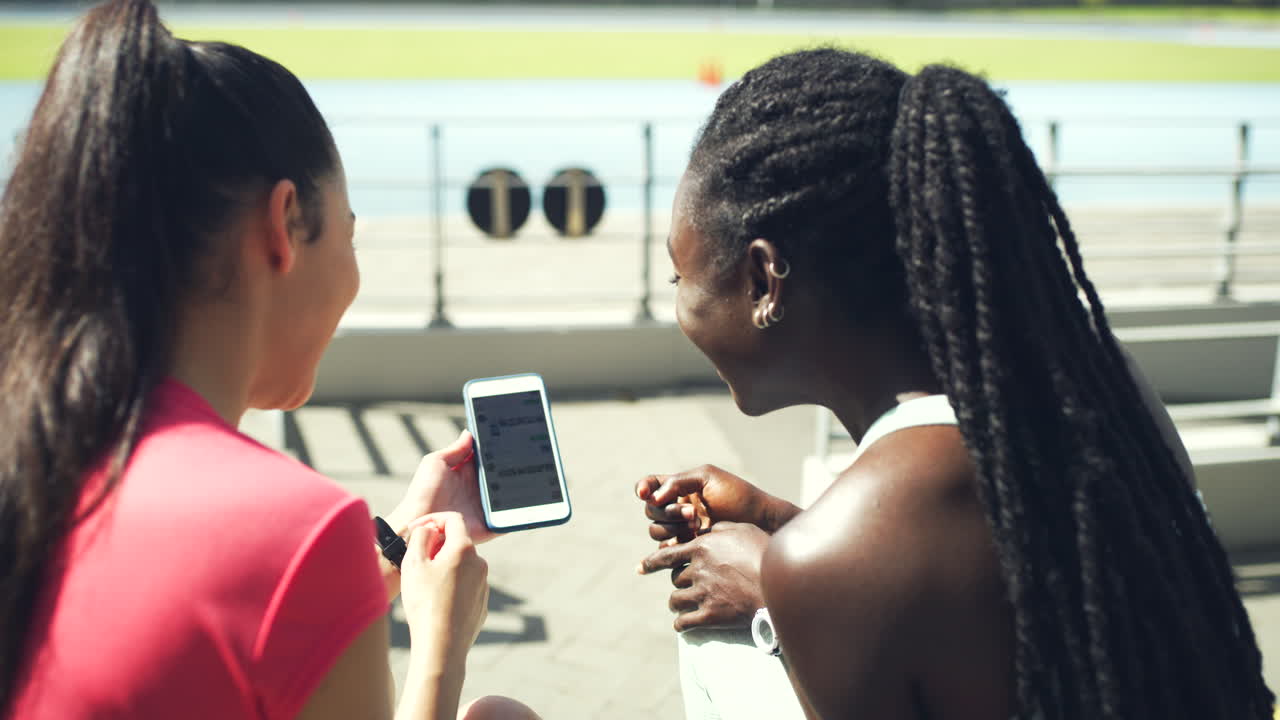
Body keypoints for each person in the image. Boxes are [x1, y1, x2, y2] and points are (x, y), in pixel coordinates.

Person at [636, 48, 1275, 720]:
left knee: (711, 646)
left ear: (764, 282)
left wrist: (776, 598)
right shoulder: (1098, 382)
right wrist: (780, 527)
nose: (681, 302)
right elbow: (1017, 601)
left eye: (682, 276)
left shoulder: (835, 554)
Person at [0, 2, 538, 719]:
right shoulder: (296, 528)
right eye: (348, 234)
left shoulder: (38, 445)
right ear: (284, 226)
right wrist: (443, 645)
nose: (353, 273)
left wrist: (393, 541)